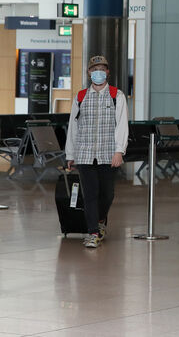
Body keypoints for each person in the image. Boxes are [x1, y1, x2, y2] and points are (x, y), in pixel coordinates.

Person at [65, 55, 129, 248]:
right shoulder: (81, 96)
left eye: (102, 68)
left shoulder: (117, 95)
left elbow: (122, 125)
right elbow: (73, 127)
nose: (98, 72)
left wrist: (119, 151)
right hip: (84, 153)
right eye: (94, 69)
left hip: (108, 153)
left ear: (108, 72)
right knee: (90, 194)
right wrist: (70, 154)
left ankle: (100, 221)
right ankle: (93, 232)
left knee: (107, 194)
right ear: (89, 73)